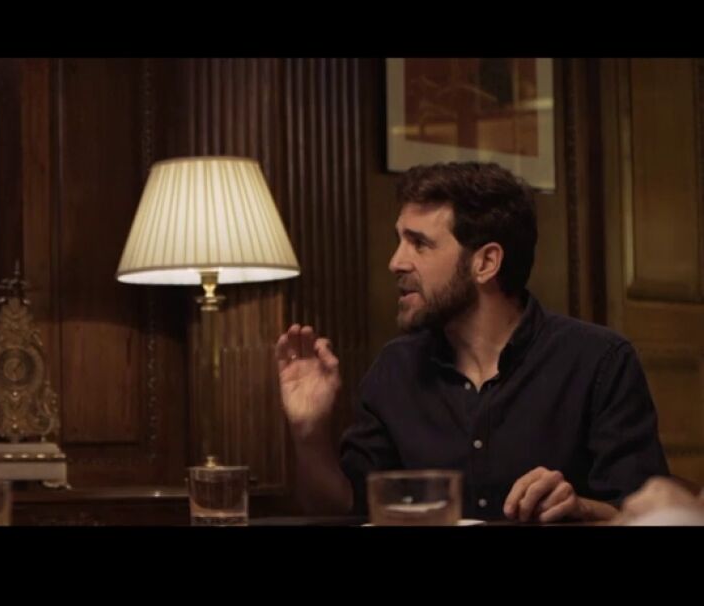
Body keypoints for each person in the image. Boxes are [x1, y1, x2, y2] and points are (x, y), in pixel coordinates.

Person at [276, 161, 668, 523]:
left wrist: (579, 507)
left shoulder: (599, 362)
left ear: (485, 263)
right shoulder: (395, 369)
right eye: (399, 241)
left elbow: (652, 515)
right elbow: (341, 510)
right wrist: (309, 433)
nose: (396, 262)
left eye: (419, 243)